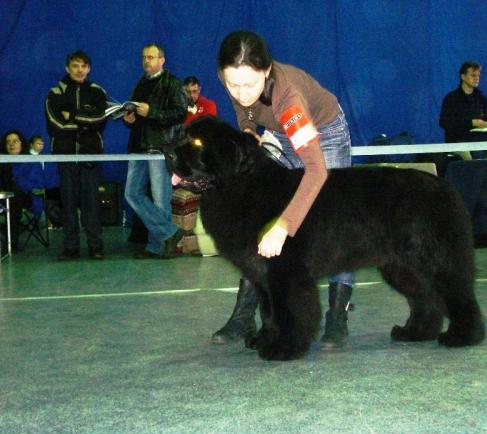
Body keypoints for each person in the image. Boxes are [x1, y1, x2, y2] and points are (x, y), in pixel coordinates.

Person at [212, 30, 354, 349]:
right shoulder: (235, 80)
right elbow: (244, 110)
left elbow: (316, 171)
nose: (240, 92)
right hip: (283, 133)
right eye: (232, 84)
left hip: (323, 133)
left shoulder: (288, 101)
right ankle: (244, 315)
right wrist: (249, 130)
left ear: (266, 70)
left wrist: (283, 225)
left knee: (333, 222)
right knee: (257, 222)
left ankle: (337, 315)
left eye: (249, 85)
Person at [123, 43, 187, 259]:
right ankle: (169, 233)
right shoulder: (141, 83)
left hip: (159, 147)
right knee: (131, 193)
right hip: (138, 145)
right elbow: (137, 114)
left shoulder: (173, 83)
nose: (146, 61)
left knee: (160, 199)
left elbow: (179, 113)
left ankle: (157, 247)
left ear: (162, 60)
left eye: (150, 57)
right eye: (144, 57)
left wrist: (152, 112)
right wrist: (129, 119)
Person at [45, 50, 107, 261]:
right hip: (65, 156)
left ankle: (95, 246)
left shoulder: (98, 92)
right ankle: (70, 247)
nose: (79, 70)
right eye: (75, 66)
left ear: (89, 69)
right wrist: (84, 123)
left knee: (91, 203)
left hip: (91, 156)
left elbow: (99, 120)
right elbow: (55, 125)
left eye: (83, 66)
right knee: (68, 204)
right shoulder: (55, 92)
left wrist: (72, 116)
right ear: (67, 68)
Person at [439, 61, 487, 160]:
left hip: (480, 145)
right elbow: (444, 122)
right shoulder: (451, 98)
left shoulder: (482, 99)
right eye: (473, 75)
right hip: (458, 145)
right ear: (463, 77)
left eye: (478, 75)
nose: (477, 78)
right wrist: (471, 122)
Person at [0, 130, 32, 252]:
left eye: (15, 141)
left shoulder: (30, 161)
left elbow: (36, 182)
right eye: (8, 142)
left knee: (14, 197)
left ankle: (11, 243)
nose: (11, 144)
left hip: (25, 197)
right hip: (3, 199)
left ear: (22, 143)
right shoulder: (1, 161)